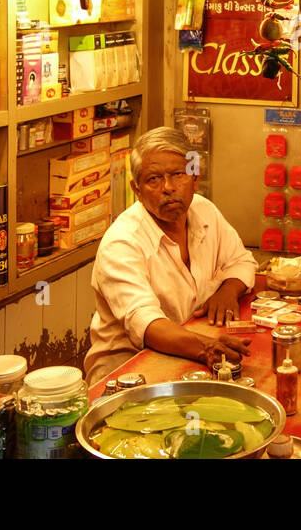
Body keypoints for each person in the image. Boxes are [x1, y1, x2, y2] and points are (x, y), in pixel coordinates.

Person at [84, 126, 255, 385]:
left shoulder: (204, 210)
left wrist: (228, 290)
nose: (168, 187)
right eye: (154, 179)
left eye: (178, 174)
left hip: (187, 357)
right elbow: (148, 325)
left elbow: (242, 261)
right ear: (137, 190)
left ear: (195, 178)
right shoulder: (122, 243)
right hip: (129, 374)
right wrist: (206, 347)